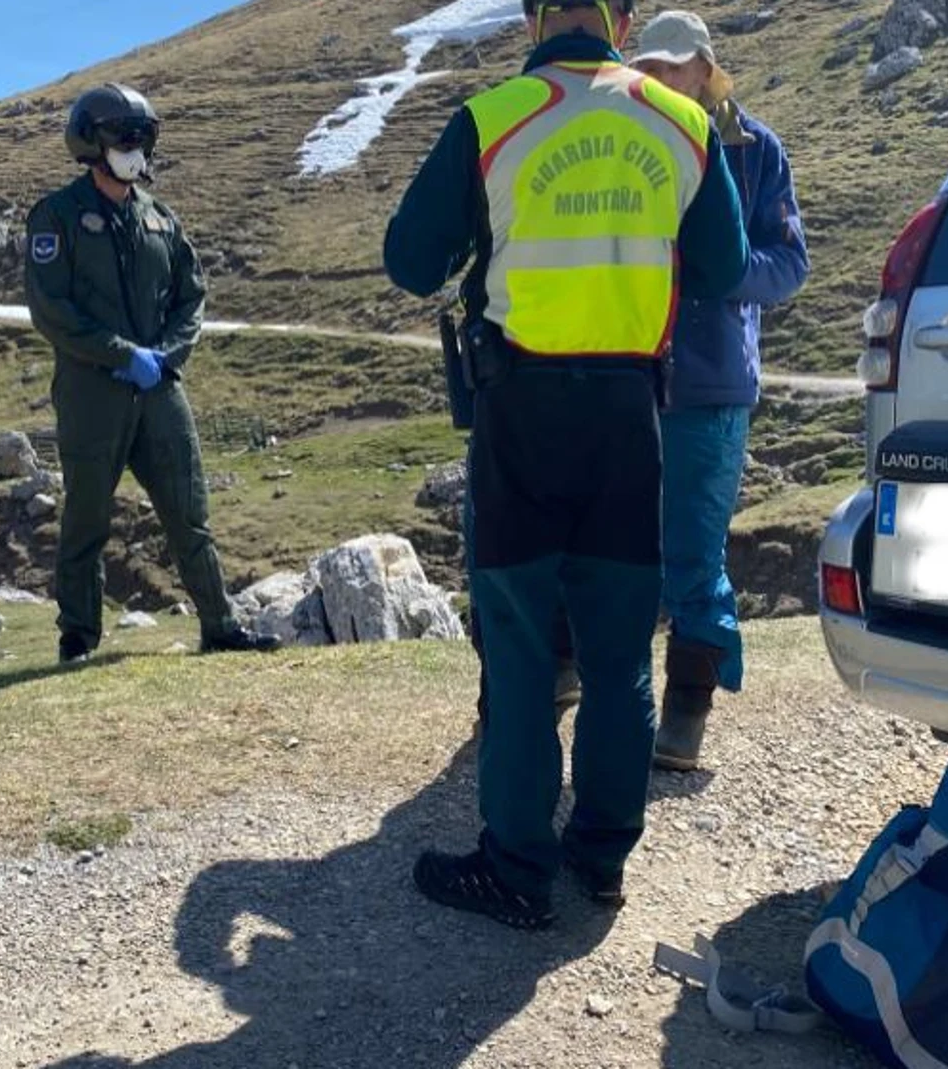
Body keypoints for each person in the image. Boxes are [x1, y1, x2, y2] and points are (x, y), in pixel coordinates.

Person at [383, 0, 749, 928]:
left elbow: (409, 261)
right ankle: (602, 859)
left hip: (521, 412)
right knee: (622, 654)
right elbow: (724, 266)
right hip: (631, 414)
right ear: (621, 21)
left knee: (517, 649)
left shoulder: (493, 119)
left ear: (538, 17)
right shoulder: (684, 122)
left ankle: (514, 865)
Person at [24, 83, 280, 664]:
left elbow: (192, 296)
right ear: (92, 143)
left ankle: (220, 626)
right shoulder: (56, 217)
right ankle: (78, 639)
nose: (137, 150)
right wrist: (121, 354)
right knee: (87, 517)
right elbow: (52, 311)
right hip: (93, 395)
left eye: (144, 138)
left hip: (160, 392)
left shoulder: (161, 218)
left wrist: (168, 355)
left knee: (189, 513)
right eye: (125, 138)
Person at [632, 11, 810, 771]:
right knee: (618, 551)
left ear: (706, 69)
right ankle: (614, 700)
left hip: (711, 385)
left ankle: (686, 716)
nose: (662, 77)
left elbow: (789, 264)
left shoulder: (757, 150)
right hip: (632, 374)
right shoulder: (630, 142)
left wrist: (725, 271)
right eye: (651, 66)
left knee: (695, 554)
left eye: (676, 65)